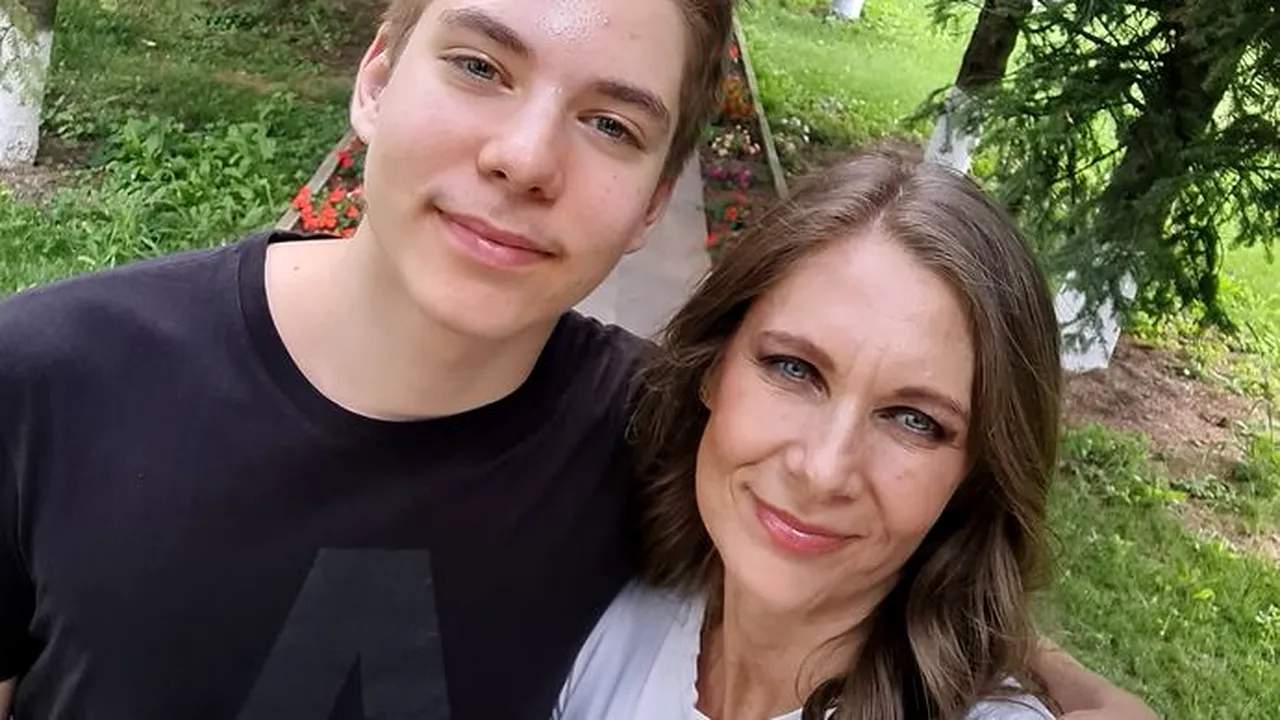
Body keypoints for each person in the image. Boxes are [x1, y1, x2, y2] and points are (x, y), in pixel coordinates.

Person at [0, 1, 1154, 719]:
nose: (523, 157)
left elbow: (859, 534)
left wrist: (1062, 687)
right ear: (376, 76)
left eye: (611, 123)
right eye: (479, 65)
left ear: (654, 201)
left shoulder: (643, 429)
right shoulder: (52, 379)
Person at [552, 146, 1103, 719]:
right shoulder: (606, 607)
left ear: (975, 477)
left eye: (914, 420)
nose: (822, 470)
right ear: (712, 367)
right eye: (794, 369)